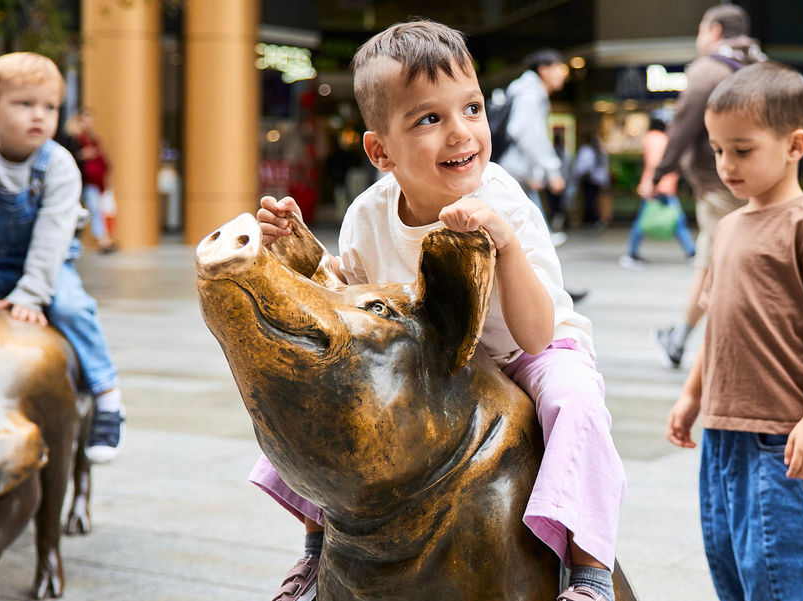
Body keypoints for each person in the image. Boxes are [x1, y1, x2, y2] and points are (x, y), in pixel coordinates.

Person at [251, 21, 625, 601]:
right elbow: (351, 305)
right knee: (320, 407)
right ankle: (315, 552)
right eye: (429, 118)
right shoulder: (368, 216)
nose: (461, 133)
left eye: (472, 109)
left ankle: (589, 572)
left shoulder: (503, 202)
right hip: (432, 357)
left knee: (575, 404)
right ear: (380, 151)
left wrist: (503, 245)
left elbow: (535, 333)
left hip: (528, 350)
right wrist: (298, 251)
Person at [667, 62, 803, 601]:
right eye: (717, 150)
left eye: (742, 150)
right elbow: (719, 324)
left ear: (795, 145)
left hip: (785, 438)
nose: (726, 165)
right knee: (738, 572)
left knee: (796, 578)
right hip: (723, 436)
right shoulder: (727, 228)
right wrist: (691, 394)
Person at [0, 52, 127, 463]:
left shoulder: (59, 166)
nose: (39, 116)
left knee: (73, 308)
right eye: (24, 104)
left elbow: (51, 239)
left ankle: (107, 397)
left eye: (49, 107)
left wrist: (32, 295)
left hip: (46, 269)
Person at [642, 4, 765, 368]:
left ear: (713, 30)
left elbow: (683, 124)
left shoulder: (708, 70)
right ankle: (680, 337)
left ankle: (716, 346)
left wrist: (659, 171)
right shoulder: (763, 66)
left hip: (719, 184)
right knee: (725, 261)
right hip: (761, 183)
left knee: (715, 265)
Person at [498, 48, 571, 248]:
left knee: (524, 212)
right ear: (543, 70)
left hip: (517, 166)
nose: (563, 74)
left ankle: (542, 238)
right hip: (515, 165)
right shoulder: (529, 94)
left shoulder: (528, 91)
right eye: (558, 68)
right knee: (525, 213)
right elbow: (525, 133)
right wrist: (550, 170)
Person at [621, 116, 695, 269]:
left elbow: (653, 162)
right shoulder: (660, 138)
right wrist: (654, 184)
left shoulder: (651, 138)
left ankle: (632, 254)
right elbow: (656, 162)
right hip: (660, 186)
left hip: (656, 185)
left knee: (647, 221)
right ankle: (692, 252)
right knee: (676, 220)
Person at [65, 108, 116, 252]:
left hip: (90, 181)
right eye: (86, 120)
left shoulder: (92, 139)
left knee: (95, 210)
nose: (89, 124)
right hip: (76, 180)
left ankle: (103, 241)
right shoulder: (72, 139)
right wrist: (81, 155)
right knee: (70, 210)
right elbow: (67, 158)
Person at [572, 132, 611, 230]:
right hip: (596, 180)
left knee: (592, 200)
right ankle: (592, 219)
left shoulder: (587, 150)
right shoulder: (600, 151)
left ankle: (594, 219)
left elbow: (583, 167)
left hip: (591, 180)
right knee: (592, 200)